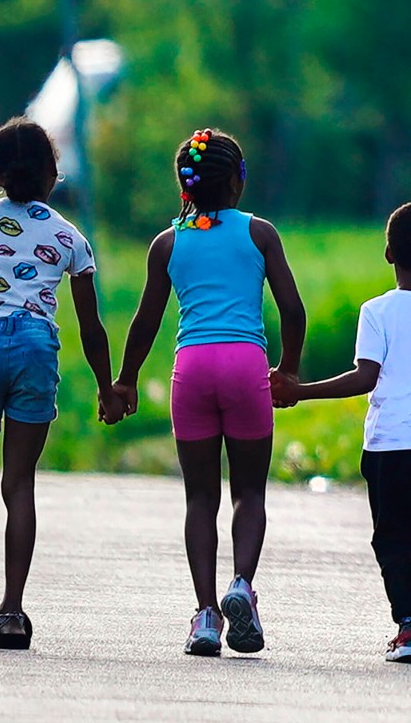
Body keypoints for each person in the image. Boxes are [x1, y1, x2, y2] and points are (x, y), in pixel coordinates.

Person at [0, 118, 125, 650]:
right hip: (37, 347)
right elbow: (91, 327)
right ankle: (12, 612)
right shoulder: (69, 237)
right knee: (20, 485)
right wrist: (108, 388)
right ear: (51, 171)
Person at [115, 127, 306, 657]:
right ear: (237, 182)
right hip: (246, 366)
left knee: (200, 497)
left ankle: (205, 616)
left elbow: (146, 319)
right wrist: (287, 370)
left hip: (192, 369)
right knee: (250, 492)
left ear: (185, 185)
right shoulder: (259, 233)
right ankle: (241, 584)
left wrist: (125, 380)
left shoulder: (168, 242)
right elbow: (293, 310)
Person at [272, 202, 411, 665]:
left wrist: (301, 390)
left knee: (392, 539)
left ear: (388, 253)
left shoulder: (376, 311)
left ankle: (408, 629)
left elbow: (364, 377)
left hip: (389, 447)